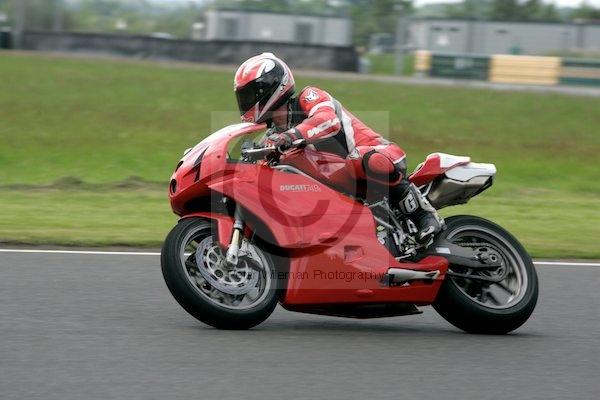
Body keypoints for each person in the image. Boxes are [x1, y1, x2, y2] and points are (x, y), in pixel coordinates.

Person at [233, 53, 443, 243]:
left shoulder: (308, 97)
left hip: (379, 155)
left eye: (250, 95)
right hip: (343, 182)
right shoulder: (272, 137)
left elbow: (328, 120)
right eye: (243, 96)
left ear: (271, 87)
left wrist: (292, 136)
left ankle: (423, 215)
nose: (246, 102)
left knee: (363, 159)